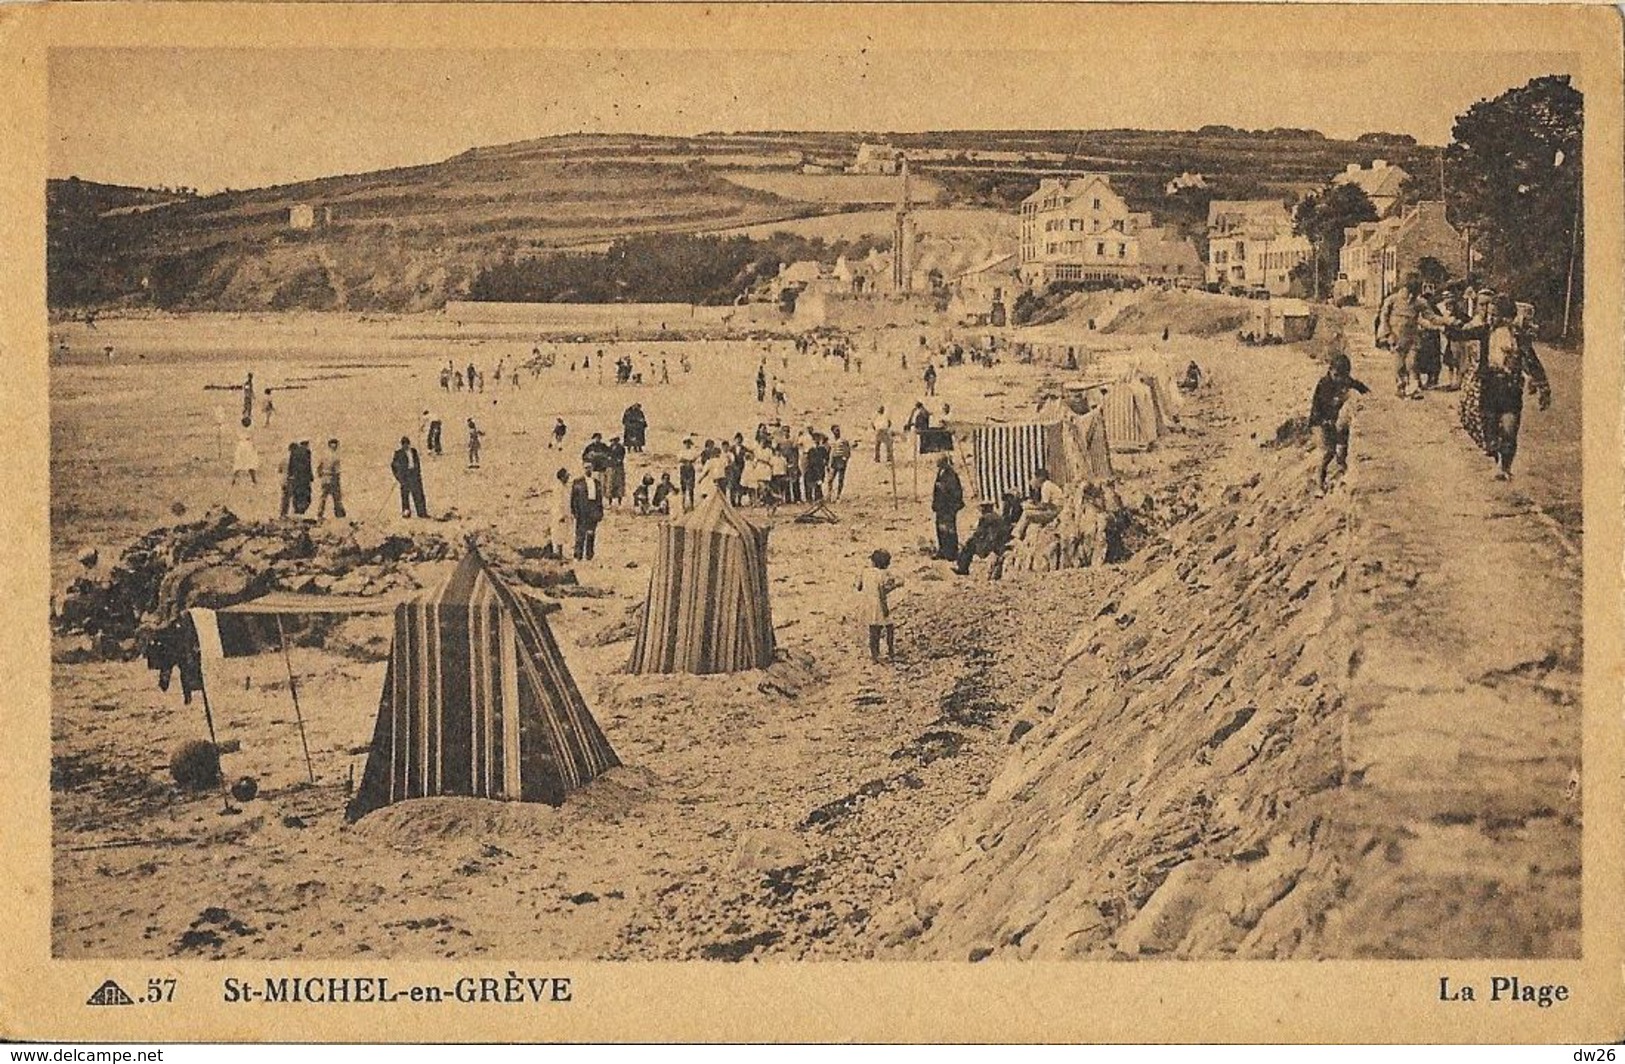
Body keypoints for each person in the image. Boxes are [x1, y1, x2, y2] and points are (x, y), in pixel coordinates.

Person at [1449, 294, 1551, 480]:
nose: (1491, 319)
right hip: (1489, 388)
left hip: (1510, 389)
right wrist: (1450, 323)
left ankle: (1504, 467)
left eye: (1494, 315)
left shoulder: (1518, 337)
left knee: (1509, 431)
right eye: (1489, 315)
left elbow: (1532, 362)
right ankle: (1497, 457)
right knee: (1490, 434)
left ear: (1507, 317)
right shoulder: (1485, 331)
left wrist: (1543, 387)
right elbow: (1461, 335)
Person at [1308, 353, 1372, 495]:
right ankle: (1319, 483)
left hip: (1332, 420)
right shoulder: (1324, 384)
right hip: (1320, 421)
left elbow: (1357, 385)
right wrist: (1337, 402)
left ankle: (1341, 468)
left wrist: (1366, 393)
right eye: (1336, 375)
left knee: (1341, 443)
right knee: (1327, 451)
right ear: (1330, 370)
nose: (1339, 379)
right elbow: (1321, 407)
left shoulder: (1343, 379)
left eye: (1343, 376)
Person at [1376, 273, 1444, 400]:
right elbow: (1383, 318)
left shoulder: (1419, 302)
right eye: (1409, 291)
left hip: (1412, 338)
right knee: (1399, 365)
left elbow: (1431, 317)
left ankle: (1413, 389)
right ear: (1404, 288)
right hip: (1396, 338)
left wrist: (1446, 321)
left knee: (1411, 363)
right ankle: (1401, 386)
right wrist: (1387, 334)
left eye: (1415, 292)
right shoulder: (1392, 300)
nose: (1411, 296)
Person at [856, 549, 902, 663]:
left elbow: (859, 587)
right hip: (878, 604)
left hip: (867, 603)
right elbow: (882, 593)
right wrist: (895, 587)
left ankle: (874, 654)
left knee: (873, 629)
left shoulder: (865, 572)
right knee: (889, 627)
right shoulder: (882, 575)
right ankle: (890, 651)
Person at [955, 501, 1009, 580]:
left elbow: (979, 533)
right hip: (998, 544)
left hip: (989, 545)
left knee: (968, 545)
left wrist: (969, 540)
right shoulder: (998, 517)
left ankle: (963, 568)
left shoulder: (985, 518)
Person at [931, 455, 964, 560]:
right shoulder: (941, 472)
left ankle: (951, 552)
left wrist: (944, 488)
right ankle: (943, 550)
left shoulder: (950, 474)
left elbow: (954, 491)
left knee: (949, 530)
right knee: (941, 528)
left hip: (948, 507)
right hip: (941, 506)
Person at [569, 463, 605, 560]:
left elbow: (599, 499)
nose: (588, 470)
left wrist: (600, 511)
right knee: (580, 534)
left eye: (589, 468)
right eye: (586, 468)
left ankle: (589, 554)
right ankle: (578, 554)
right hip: (582, 511)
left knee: (591, 533)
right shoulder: (578, 482)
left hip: (593, 510)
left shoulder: (597, 482)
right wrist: (574, 511)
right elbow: (573, 499)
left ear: (592, 469)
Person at [392, 436, 428, 517]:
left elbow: (417, 463)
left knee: (418, 494)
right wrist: (398, 477)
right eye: (404, 444)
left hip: (414, 475)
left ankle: (422, 512)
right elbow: (394, 466)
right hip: (405, 476)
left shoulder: (414, 451)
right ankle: (406, 512)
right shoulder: (398, 453)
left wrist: (418, 474)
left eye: (407, 444)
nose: (405, 446)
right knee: (405, 496)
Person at [278, 442, 313, 518]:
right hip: (292, 480)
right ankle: (294, 513)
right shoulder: (295, 458)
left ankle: (283, 514)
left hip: (284, 480)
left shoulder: (284, 458)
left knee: (285, 498)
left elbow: (279, 470)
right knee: (294, 496)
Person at [315, 438, 345, 519]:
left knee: (323, 497)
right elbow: (337, 472)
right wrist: (338, 482)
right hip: (332, 479)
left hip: (324, 478)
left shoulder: (323, 456)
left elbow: (318, 468)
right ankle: (339, 514)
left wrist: (321, 476)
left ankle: (319, 514)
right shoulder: (335, 457)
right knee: (336, 497)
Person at [547, 468, 573, 560]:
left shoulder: (565, 487)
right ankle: (557, 553)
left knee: (562, 534)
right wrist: (560, 515)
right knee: (558, 534)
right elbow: (558, 503)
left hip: (565, 514)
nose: (567, 478)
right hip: (559, 515)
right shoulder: (558, 488)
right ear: (562, 477)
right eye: (566, 477)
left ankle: (560, 554)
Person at [803, 434, 829, 503]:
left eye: (818, 439)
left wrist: (825, 465)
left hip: (820, 468)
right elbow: (808, 460)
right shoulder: (811, 450)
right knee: (810, 483)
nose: (816, 441)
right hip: (812, 469)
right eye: (815, 439)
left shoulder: (822, 449)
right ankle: (809, 499)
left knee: (819, 484)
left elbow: (826, 458)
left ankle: (818, 498)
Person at [828, 425, 851, 500]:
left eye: (838, 430)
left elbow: (847, 450)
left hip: (841, 460)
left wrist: (845, 459)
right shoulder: (831, 441)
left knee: (840, 479)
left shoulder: (843, 440)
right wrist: (829, 462)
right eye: (836, 430)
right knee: (830, 479)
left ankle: (838, 496)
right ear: (832, 431)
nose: (838, 432)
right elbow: (830, 451)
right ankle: (829, 495)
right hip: (834, 460)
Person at [678, 436, 699, 511]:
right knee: (683, 488)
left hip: (690, 469)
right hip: (683, 469)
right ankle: (683, 505)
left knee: (691, 488)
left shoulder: (692, 451)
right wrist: (687, 461)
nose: (687, 444)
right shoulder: (681, 451)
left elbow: (695, 458)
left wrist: (689, 461)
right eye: (686, 443)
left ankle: (691, 505)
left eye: (688, 443)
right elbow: (680, 459)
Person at [606, 436, 628, 507]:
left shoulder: (621, 448)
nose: (613, 442)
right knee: (610, 484)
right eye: (612, 441)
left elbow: (620, 458)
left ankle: (619, 502)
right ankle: (610, 502)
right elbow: (607, 457)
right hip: (611, 467)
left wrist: (613, 460)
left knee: (619, 484)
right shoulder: (609, 448)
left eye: (614, 441)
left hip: (618, 468)